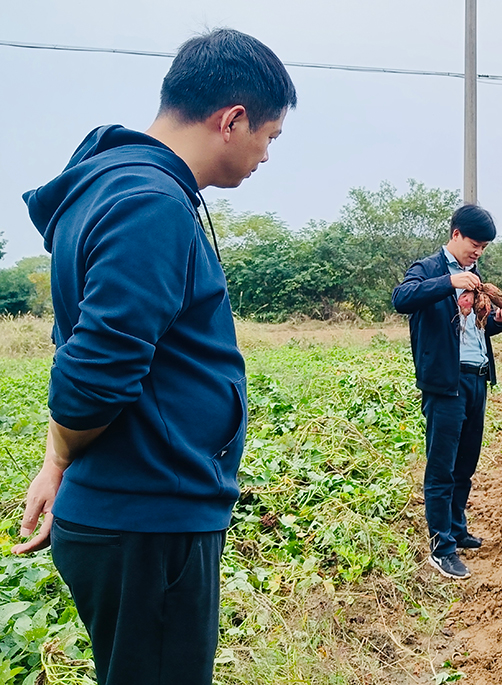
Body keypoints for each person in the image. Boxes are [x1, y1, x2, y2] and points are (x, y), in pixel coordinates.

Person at [12, 29, 296, 685]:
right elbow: (94, 369)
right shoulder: (150, 204)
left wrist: (59, 463)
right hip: (149, 518)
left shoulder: (114, 187)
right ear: (232, 120)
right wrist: (61, 457)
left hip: (134, 509)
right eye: (269, 136)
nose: (265, 154)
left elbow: (85, 342)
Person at [392, 205, 502, 580]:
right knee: (442, 467)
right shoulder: (429, 269)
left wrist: (497, 322)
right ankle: (441, 548)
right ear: (456, 234)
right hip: (445, 383)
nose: (478, 252)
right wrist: (450, 282)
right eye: (475, 244)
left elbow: (474, 328)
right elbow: (402, 298)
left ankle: (457, 529)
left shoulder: (475, 277)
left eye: (484, 248)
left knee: (465, 463)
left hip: (476, 378)